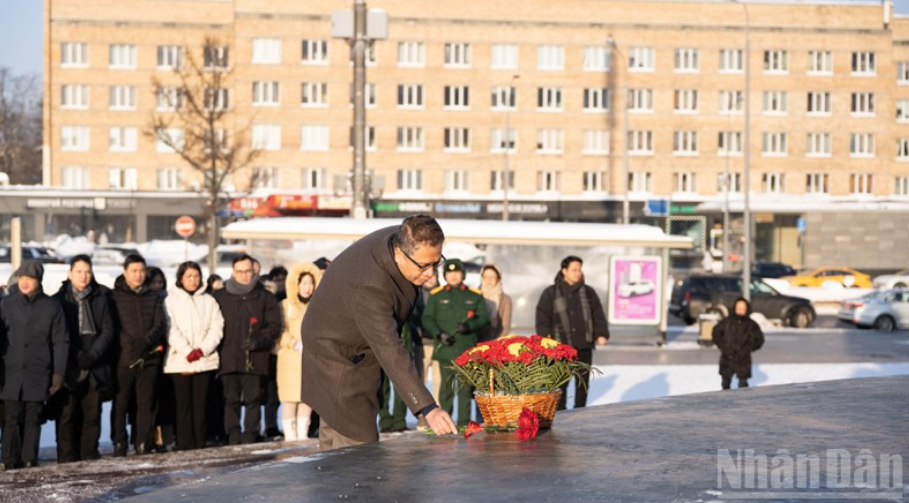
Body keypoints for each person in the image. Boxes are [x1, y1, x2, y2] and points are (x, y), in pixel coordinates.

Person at [301, 215, 458, 451]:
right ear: (399, 253)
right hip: (337, 355)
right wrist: (427, 408)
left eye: (436, 263)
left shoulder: (405, 237)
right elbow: (389, 348)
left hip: (346, 341)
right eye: (423, 266)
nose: (430, 274)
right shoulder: (372, 286)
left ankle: (332, 482)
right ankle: (348, 486)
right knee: (358, 443)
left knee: (336, 440)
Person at [0, 261, 69, 470]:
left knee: (33, 417)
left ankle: (30, 458)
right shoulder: (7, 304)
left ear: (39, 281)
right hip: (10, 371)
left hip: (39, 370)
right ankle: (8, 459)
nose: (25, 282)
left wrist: (58, 373)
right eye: (22, 278)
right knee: (10, 417)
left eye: (29, 279)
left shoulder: (52, 306)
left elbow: (60, 340)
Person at [213, 254, 282, 445]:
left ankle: (251, 435)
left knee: (253, 399)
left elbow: (274, 325)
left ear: (254, 272)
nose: (244, 275)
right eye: (240, 271)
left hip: (256, 356)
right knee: (230, 399)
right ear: (233, 272)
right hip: (229, 356)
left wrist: (259, 341)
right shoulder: (220, 296)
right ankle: (233, 435)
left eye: (248, 271)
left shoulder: (265, 297)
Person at [53, 255, 116, 463]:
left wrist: (93, 355)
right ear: (70, 274)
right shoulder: (59, 299)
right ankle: (66, 455)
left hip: (95, 362)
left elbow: (108, 329)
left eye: (87, 271)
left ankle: (89, 453)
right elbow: (59, 333)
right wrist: (77, 355)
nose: (84, 276)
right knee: (67, 414)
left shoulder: (101, 297)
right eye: (79, 271)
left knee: (92, 414)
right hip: (69, 362)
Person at [163, 262, 224, 451]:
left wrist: (202, 350)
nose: (193, 280)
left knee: (200, 404)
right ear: (180, 278)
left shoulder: (209, 300)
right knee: (183, 406)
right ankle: (184, 443)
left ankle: (200, 442)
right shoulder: (170, 300)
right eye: (188, 276)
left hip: (205, 361)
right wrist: (187, 350)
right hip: (179, 361)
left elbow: (217, 327)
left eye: (196, 276)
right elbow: (169, 328)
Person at [422, 258, 490, 428]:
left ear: (463, 274)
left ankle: (464, 424)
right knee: (446, 391)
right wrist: (439, 334)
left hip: (466, 350)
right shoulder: (437, 295)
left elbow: (483, 318)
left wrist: (469, 326)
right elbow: (428, 319)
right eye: (449, 273)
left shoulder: (474, 296)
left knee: (465, 390)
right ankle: (446, 424)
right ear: (445, 275)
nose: (453, 276)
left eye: (457, 272)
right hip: (445, 350)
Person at [535, 255, 609, 411]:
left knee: (582, 384)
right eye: (574, 269)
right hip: (560, 349)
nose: (578, 273)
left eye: (579, 269)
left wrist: (601, 333)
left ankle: (580, 412)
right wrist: (547, 341)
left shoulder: (588, 292)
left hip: (584, 346)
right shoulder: (551, 293)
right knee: (560, 384)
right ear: (564, 271)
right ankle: (561, 415)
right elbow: (542, 319)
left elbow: (598, 314)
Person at [110, 254, 167, 456]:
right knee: (121, 403)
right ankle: (119, 442)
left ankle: (143, 442)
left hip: (149, 357)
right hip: (124, 359)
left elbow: (160, 323)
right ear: (125, 272)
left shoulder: (154, 296)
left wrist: (146, 341)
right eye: (134, 271)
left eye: (142, 270)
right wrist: (128, 343)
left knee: (146, 402)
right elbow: (113, 325)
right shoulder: (115, 296)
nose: (138, 275)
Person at [276, 263, 321, 441]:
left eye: (310, 283)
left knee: (307, 398)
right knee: (289, 398)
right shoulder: (285, 306)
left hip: (311, 358)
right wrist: (293, 343)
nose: (307, 287)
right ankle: (290, 434)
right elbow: (279, 330)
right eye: (303, 283)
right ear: (296, 284)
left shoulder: (317, 306)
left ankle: (303, 433)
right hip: (290, 358)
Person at [712, 298, 764, 390]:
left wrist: (748, 348)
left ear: (747, 309)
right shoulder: (726, 321)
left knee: (743, 385)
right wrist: (723, 346)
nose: (740, 310)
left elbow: (759, 339)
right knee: (725, 384)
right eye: (738, 308)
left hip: (743, 359)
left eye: (743, 308)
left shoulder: (751, 324)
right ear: (734, 308)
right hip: (727, 358)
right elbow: (716, 333)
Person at [478, 265, 513, 341]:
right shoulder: (474, 296)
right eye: (486, 276)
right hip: (476, 342)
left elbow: (505, 326)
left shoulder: (506, 300)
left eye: (492, 277)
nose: (489, 280)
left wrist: (497, 344)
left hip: (496, 342)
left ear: (498, 278)